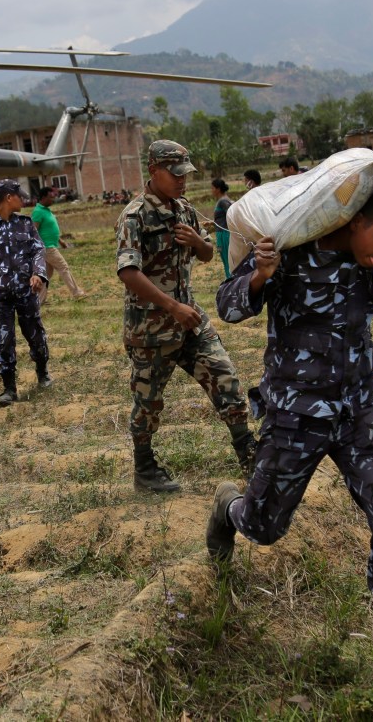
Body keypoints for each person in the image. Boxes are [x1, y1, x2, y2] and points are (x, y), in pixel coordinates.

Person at [206, 147, 373, 679]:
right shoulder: (292, 249)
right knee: (264, 527)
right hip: (295, 413)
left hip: (359, 409)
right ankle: (229, 510)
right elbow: (229, 306)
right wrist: (261, 274)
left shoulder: (369, 251)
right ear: (354, 221)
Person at [116, 140, 257, 494]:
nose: (183, 180)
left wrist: (196, 241)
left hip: (190, 318)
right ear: (154, 171)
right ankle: (145, 469)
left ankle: (249, 454)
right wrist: (172, 307)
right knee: (148, 402)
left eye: (186, 174)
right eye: (175, 174)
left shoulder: (184, 209)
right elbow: (129, 273)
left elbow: (208, 254)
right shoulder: (134, 216)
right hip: (152, 328)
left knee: (224, 376)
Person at [0, 179, 50, 405]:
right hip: (0, 296)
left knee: (35, 333)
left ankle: (42, 372)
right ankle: (9, 387)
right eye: (19, 196)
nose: (23, 199)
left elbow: (39, 250)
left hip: (26, 292)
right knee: (4, 339)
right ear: (8, 198)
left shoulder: (26, 224)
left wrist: (39, 274)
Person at [31, 186, 85, 304]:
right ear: (44, 197)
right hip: (47, 247)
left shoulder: (46, 210)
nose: (53, 200)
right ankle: (77, 293)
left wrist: (61, 241)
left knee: (46, 275)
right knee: (63, 267)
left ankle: (39, 300)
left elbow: (50, 229)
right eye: (51, 197)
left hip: (50, 246)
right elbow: (33, 231)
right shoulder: (38, 211)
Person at [211, 178, 235, 279]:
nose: (211, 190)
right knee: (225, 258)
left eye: (212, 188)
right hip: (220, 234)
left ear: (218, 189)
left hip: (224, 235)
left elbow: (231, 214)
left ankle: (231, 280)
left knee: (227, 259)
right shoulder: (222, 201)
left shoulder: (223, 201)